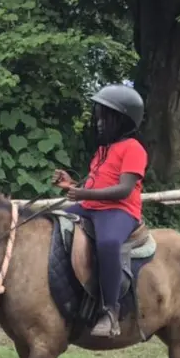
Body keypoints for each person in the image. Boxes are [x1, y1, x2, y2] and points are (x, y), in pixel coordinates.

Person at [52, 84, 148, 338]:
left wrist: (83, 194)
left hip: (119, 211)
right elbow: (96, 185)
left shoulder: (133, 148)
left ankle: (110, 311)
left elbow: (124, 189)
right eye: (99, 116)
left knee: (107, 243)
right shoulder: (103, 151)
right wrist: (71, 185)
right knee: (51, 222)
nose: (99, 122)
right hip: (90, 208)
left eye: (105, 116)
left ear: (123, 120)